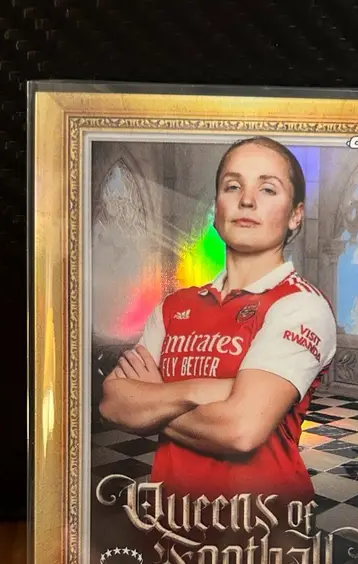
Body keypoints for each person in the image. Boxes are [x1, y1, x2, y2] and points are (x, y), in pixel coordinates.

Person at [99, 136, 337, 506]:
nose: (247, 200)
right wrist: (202, 390)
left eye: (268, 189)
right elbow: (112, 404)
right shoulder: (174, 306)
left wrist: (154, 398)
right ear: (216, 208)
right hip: (172, 517)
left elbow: (240, 429)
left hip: (265, 523)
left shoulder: (301, 305)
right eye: (232, 186)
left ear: (295, 214)